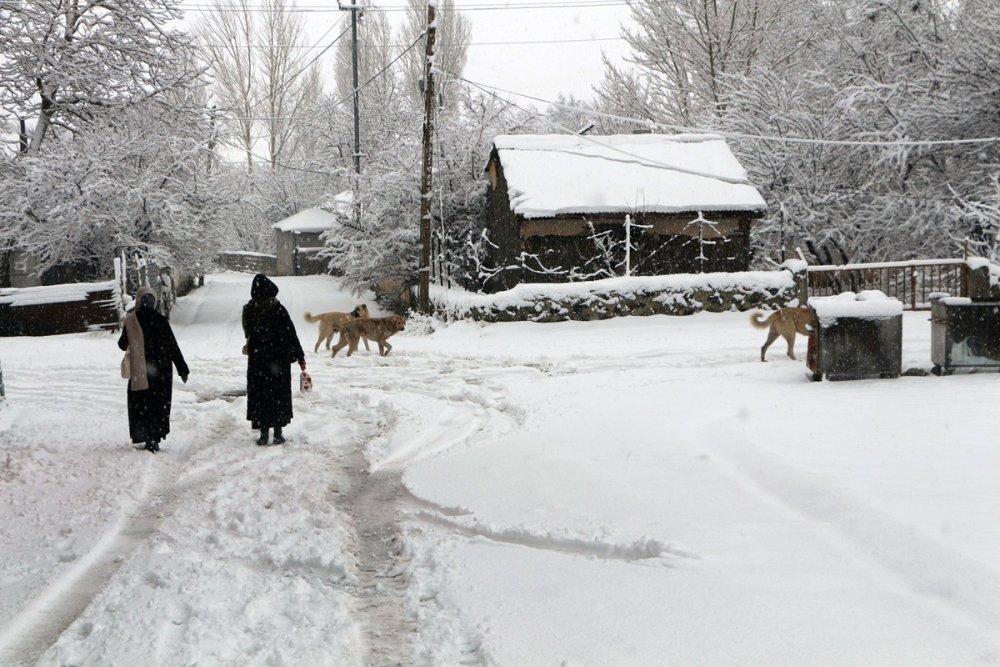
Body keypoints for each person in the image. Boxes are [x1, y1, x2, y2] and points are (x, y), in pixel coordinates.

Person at [118, 286, 189, 453]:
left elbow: (122, 345)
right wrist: (182, 368)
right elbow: (173, 346)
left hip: (140, 371)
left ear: (138, 300)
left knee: (142, 404)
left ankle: (145, 434)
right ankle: (154, 437)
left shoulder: (132, 320)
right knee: (158, 404)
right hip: (161, 371)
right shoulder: (161, 320)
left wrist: (130, 333)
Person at [242, 274, 306, 446]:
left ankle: (263, 434)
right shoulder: (278, 309)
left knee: (260, 395)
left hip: (258, 360)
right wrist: (300, 356)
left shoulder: (249, 310)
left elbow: (247, 333)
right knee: (278, 395)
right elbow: (291, 333)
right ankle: (278, 433)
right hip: (279, 360)